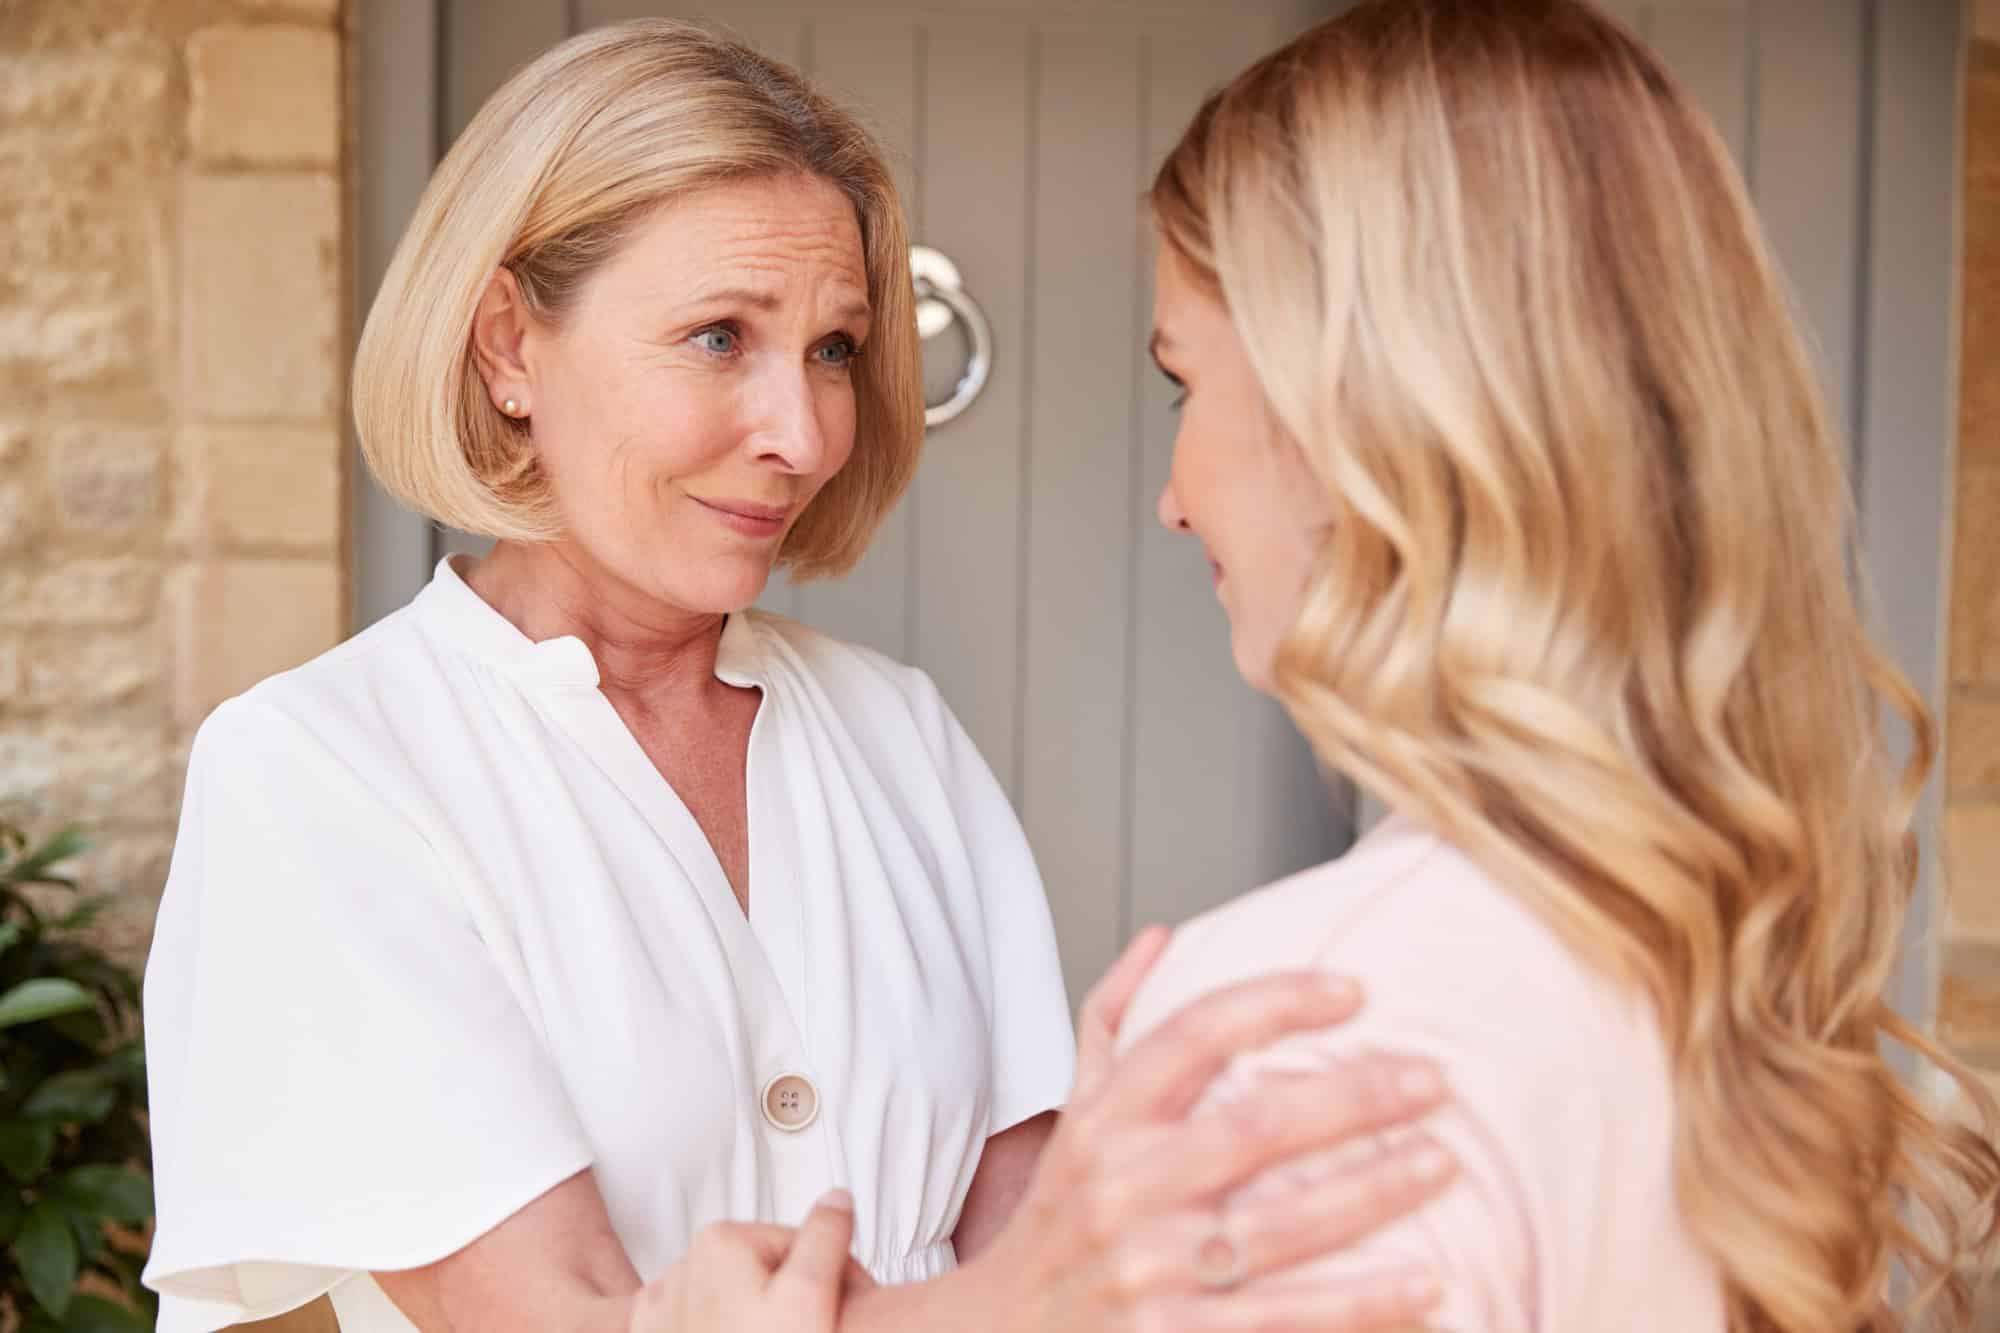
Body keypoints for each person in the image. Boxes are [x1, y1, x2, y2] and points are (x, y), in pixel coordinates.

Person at [140, 20, 1459, 1333]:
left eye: (833, 348)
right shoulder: (323, 769)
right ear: (507, 347)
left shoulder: (898, 733)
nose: (805, 431)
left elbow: (1051, 1267)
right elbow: (569, 1316)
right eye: (720, 336)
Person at [1122, 1, 2000, 1329]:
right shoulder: (1724, 972)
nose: (1174, 499)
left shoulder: (1282, 1034)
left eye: (1185, 384)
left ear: (1362, 411)